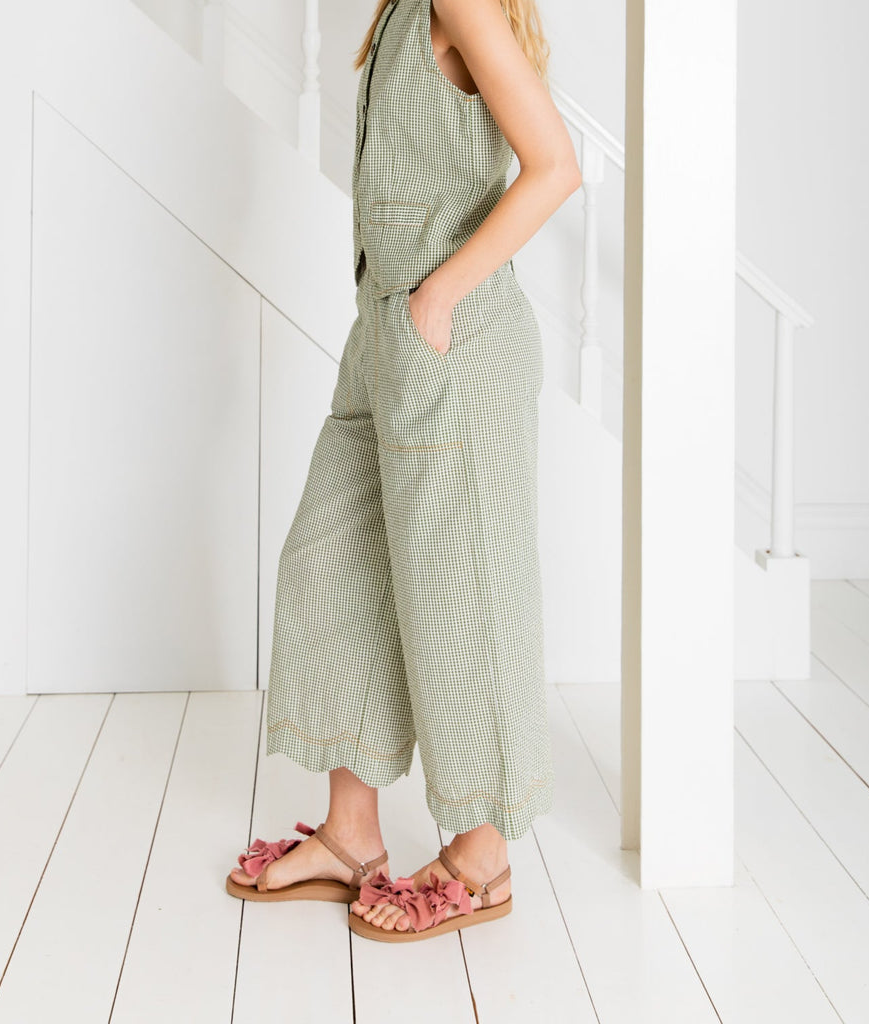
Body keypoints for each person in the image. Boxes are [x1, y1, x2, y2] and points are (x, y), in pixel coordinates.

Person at [226, 0, 581, 943]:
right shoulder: (402, 11)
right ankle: (351, 838)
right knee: (332, 559)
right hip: (381, 334)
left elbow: (557, 168)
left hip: (450, 339)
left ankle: (483, 855)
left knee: (461, 597)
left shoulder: (459, 2)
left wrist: (439, 294)